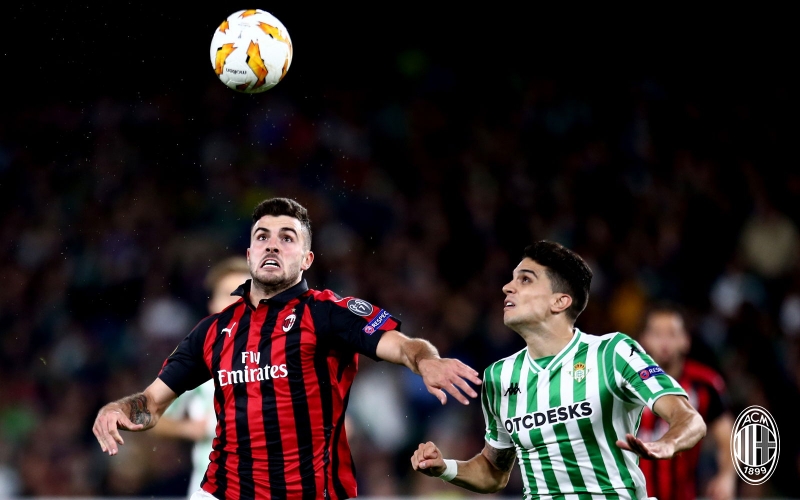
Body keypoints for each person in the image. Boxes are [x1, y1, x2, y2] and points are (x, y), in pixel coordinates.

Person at [92, 197, 482, 500]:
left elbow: (401, 345)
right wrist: (119, 409)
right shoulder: (212, 332)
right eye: (262, 237)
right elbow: (152, 403)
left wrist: (426, 361)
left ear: (307, 258)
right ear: (250, 255)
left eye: (287, 238)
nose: (272, 246)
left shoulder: (328, 313)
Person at [411, 240, 707, 499]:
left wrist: (668, 444)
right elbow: (493, 472)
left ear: (560, 301)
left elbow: (690, 419)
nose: (507, 287)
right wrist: (444, 467)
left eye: (525, 280)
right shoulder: (499, 376)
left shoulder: (612, 353)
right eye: (512, 279)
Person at [149, 256, 251, 497]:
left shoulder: (286, 355)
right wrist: (191, 428)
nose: (237, 300)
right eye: (228, 293)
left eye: (245, 293)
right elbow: (152, 415)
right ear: (213, 304)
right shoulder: (196, 360)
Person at [635, 302, 736, 500]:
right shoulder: (625, 384)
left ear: (685, 340)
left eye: (672, 334)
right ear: (644, 340)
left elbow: (728, 438)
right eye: (657, 334)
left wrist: (726, 477)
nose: (664, 343)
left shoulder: (704, 384)